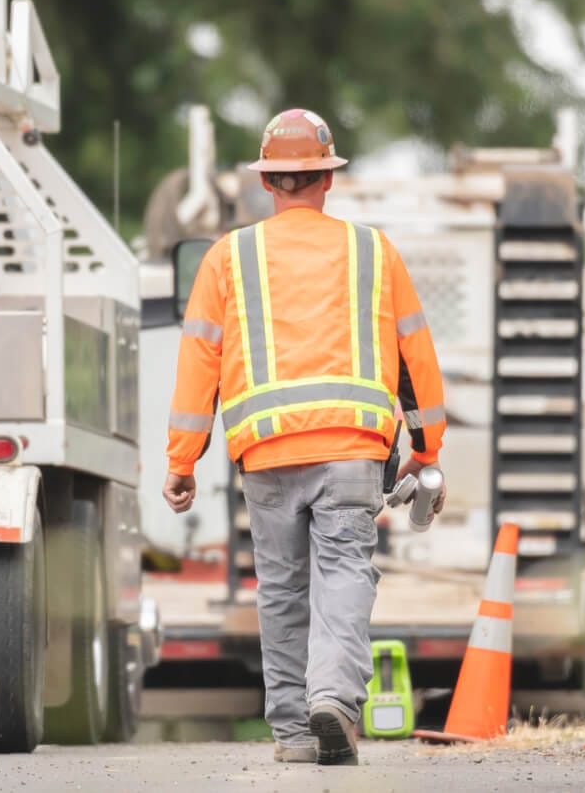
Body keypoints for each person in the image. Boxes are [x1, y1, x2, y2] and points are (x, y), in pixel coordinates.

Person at [162, 108, 447, 766]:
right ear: (326, 178)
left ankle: (293, 733)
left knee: (282, 587)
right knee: (344, 570)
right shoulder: (374, 250)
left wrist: (182, 463)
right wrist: (427, 450)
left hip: (264, 455)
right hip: (350, 449)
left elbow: (197, 364)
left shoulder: (225, 256)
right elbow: (416, 359)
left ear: (268, 182)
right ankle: (333, 703)